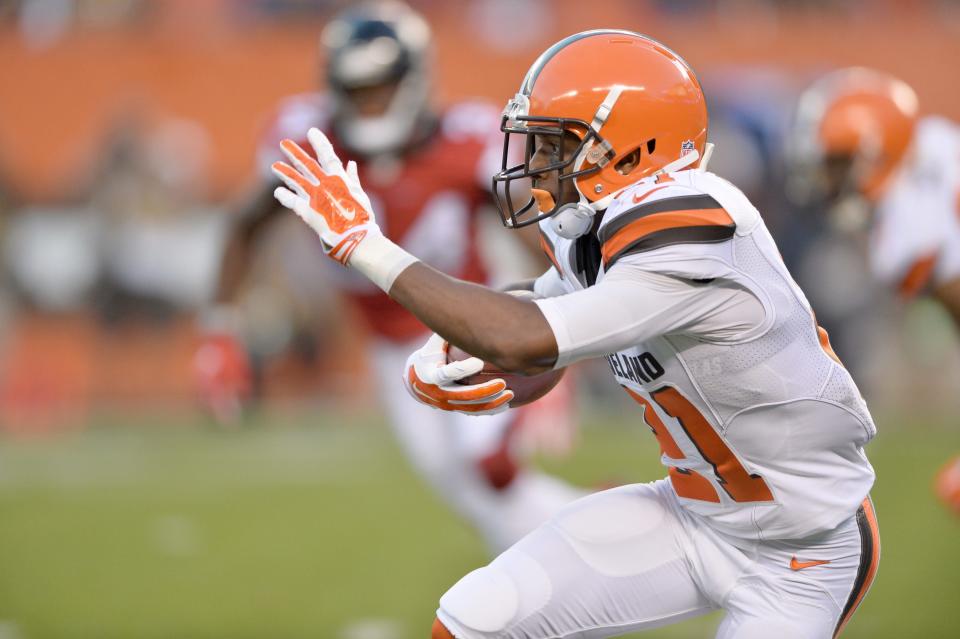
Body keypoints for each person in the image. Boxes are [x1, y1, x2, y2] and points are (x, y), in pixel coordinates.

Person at [272, 29, 879, 638]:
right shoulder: (592, 222)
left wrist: (366, 247)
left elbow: (529, 340)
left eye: (554, 144)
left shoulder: (692, 227)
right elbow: (536, 331)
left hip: (804, 551)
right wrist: (452, 358)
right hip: (692, 515)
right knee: (472, 620)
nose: (535, 164)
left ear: (632, 149)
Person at [195, 0, 583, 553]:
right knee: (462, 486)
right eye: (356, 90)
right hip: (390, 345)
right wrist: (220, 328)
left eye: (379, 86)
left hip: (476, 321)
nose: (369, 102)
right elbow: (246, 222)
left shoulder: (465, 139)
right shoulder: (307, 137)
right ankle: (594, 529)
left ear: (414, 79)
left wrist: (554, 339)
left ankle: (565, 570)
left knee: (489, 465)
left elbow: (539, 236)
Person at [791, 67, 960, 515]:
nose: (826, 180)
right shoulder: (937, 147)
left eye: (834, 163)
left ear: (870, 152)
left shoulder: (909, 234)